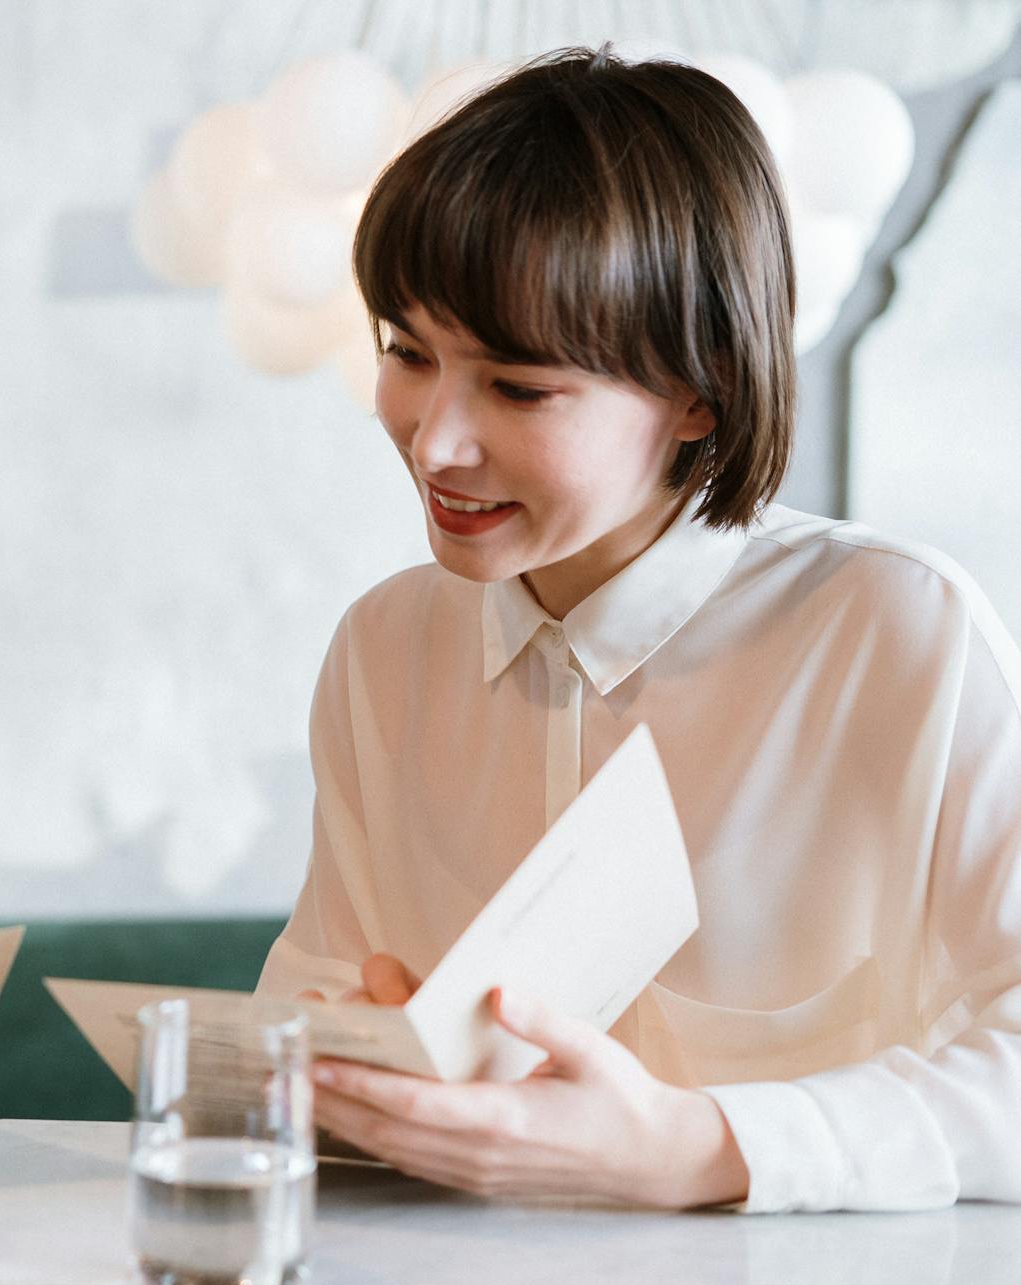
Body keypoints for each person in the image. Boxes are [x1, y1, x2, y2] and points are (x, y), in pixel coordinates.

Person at [258, 46, 1021, 1213]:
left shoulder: (894, 632)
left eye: (518, 387)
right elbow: (298, 1023)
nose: (433, 442)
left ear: (700, 393)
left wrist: (700, 1145)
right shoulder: (384, 650)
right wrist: (352, 1070)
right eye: (407, 353)